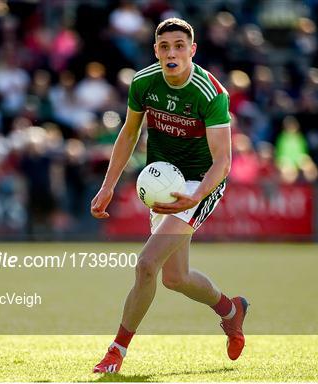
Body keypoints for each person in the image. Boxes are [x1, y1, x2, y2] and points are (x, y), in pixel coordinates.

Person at [90, 18, 248, 374]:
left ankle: (116, 351)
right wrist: (108, 185)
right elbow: (128, 135)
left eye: (180, 46)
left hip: (200, 183)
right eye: (164, 47)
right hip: (164, 181)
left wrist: (195, 198)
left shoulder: (211, 93)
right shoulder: (143, 82)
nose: (172, 53)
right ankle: (231, 310)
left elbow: (223, 162)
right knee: (175, 278)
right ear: (155, 51)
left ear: (192, 50)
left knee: (146, 264)